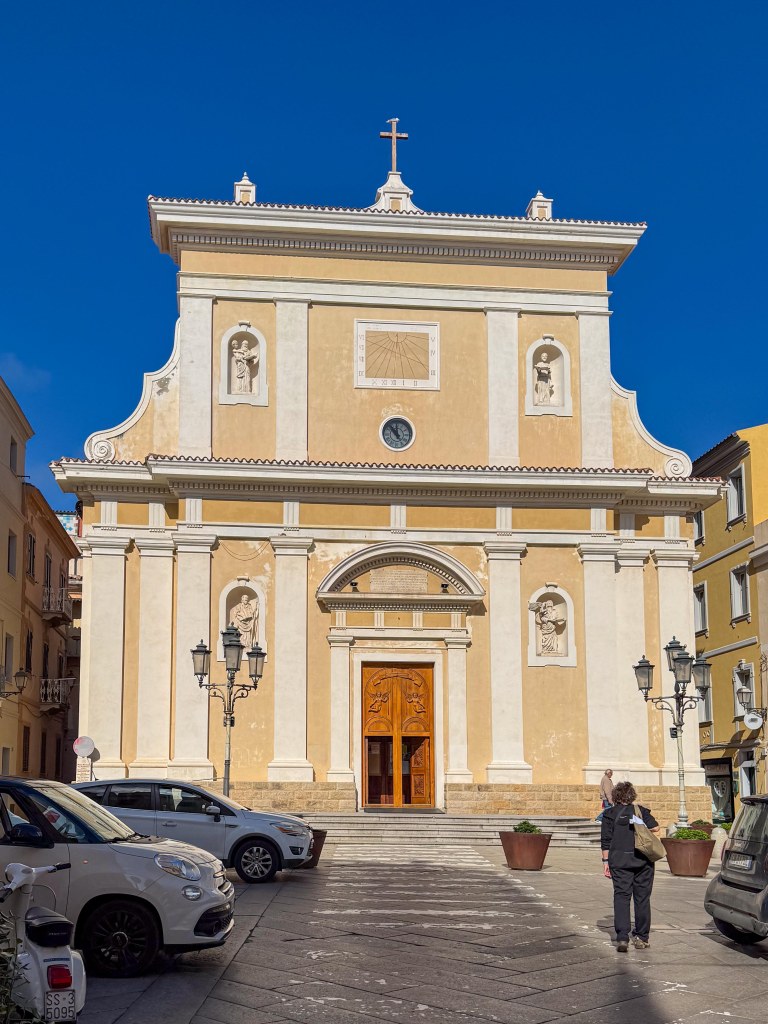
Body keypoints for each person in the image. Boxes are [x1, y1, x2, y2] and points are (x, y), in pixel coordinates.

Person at [601, 780, 660, 952]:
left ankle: (622, 938)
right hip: (643, 861)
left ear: (615, 796)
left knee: (621, 896)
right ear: (632, 796)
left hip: (619, 861)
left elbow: (606, 840)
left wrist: (605, 862)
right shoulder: (640, 811)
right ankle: (642, 937)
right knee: (642, 899)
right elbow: (656, 828)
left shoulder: (609, 814)